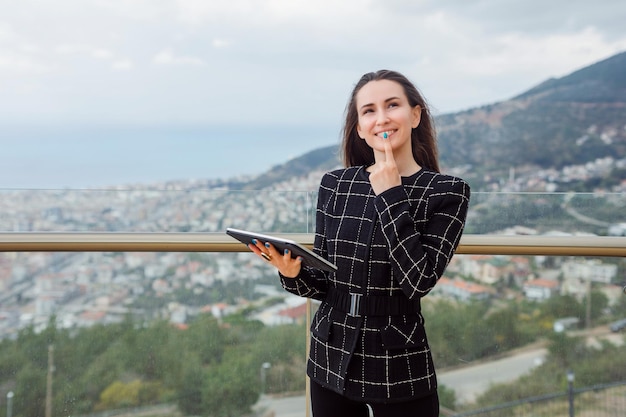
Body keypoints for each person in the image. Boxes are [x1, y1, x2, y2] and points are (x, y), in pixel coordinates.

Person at [248, 70, 470, 417]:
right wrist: (292, 273)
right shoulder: (336, 185)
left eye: (392, 105)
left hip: (398, 360)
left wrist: (391, 193)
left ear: (415, 115)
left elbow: (419, 281)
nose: (381, 118)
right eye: (368, 110)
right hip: (330, 352)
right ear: (359, 128)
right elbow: (324, 281)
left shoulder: (447, 192)